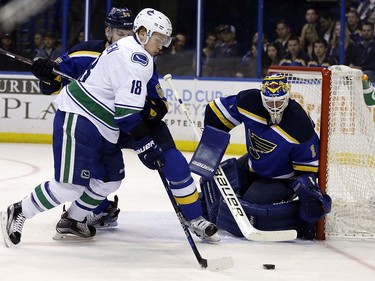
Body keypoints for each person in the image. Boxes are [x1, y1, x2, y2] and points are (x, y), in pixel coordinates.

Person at [1, 7, 219, 247]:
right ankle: (20, 210)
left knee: (109, 181)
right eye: (159, 39)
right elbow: (126, 115)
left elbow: (150, 107)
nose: (163, 45)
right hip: (83, 117)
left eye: (165, 40)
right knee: (70, 186)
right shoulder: (133, 57)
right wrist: (146, 144)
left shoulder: (136, 54)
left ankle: (73, 221)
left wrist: (147, 121)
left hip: (108, 124)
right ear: (143, 33)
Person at [30, 7, 136, 229]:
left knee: (109, 178)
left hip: (110, 128)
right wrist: (46, 74)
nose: (126, 41)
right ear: (108, 32)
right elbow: (50, 85)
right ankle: (82, 214)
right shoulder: (83, 53)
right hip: (83, 125)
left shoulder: (136, 60)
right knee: (76, 180)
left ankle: (89, 211)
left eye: (130, 35)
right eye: (120, 34)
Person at [196, 73, 332, 240]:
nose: (274, 107)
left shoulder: (300, 125)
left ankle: (293, 219)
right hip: (253, 164)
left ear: (287, 96)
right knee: (212, 181)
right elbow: (216, 111)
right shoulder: (249, 101)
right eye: (269, 102)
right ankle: (197, 210)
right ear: (262, 97)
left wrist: (307, 191)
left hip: (281, 178)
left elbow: (306, 170)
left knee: (250, 208)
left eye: (279, 101)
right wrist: (211, 144)